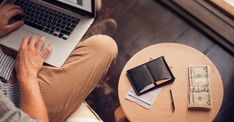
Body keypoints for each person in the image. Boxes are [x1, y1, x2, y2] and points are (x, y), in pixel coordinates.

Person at [0, 3, 118, 122]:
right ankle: (77, 39)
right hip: (21, 94)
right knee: (105, 47)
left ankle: (74, 38)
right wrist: (27, 73)